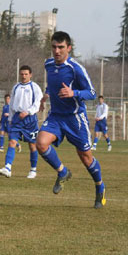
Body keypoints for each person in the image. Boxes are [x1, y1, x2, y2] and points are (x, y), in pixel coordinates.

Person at [37, 31, 105, 209]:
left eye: (60, 47)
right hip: (56, 117)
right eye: (54, 47)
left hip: (75, 119)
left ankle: (99, 187)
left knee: (85, 157)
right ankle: (63, 171)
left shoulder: (76, 68)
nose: (57, 51)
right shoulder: (49, 64)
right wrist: (46, 95)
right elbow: (52, 83)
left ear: (68, 48)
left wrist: (73, 93)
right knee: (41, 143)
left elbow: (91, 93)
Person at [0, 65, 43, 179]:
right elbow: (12, 105)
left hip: (29, 119)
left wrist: (29, 111)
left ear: (30, 75)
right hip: (17, 119)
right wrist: (10, 119)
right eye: (22, 74)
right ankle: (7, 168)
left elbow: (38, 103)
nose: (23, 76)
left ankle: (33, 169)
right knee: (12, 142)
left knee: (32, 145)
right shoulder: (16, 87)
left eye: (26, 74)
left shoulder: (34, 87)